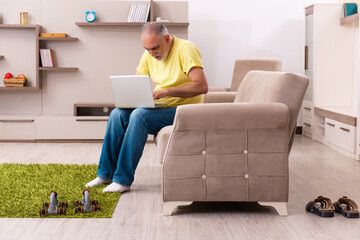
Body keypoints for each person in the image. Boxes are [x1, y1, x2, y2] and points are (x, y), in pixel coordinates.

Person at [85, 22, 208, 192]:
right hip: (161, 106)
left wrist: (167, 92)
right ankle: (105, 174)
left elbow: (201, 86)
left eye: (155, 48)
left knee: (140, 115)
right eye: (147, 49)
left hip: (185, 110)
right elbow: (136, 82)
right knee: (117, 114)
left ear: (167, 38)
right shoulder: (149, 54)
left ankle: (123, 180)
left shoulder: (186, 49)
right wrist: (130, 97)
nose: (151, 53)